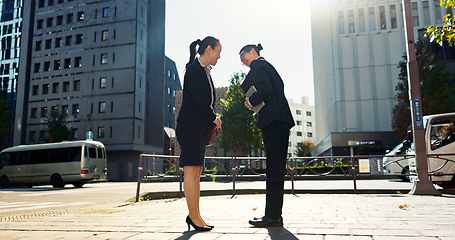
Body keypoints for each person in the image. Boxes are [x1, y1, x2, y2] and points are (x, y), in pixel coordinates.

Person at [239, 44, 295, 228]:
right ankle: (273, 215)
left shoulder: (258, 65)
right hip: (278, 120)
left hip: (274, 120)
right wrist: (254, 101)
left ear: (254, 52)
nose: (242, 60)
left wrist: (250, 100)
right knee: (275, 168)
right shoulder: (265, 66)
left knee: (274, 168)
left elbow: (266, 90)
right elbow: (273, 89)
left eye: (243, 54)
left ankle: (272, 216)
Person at [176, 36, 222, 232]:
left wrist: (211, 118)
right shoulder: (195, 70)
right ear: (209, 49)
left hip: (196, 128)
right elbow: (201, 102)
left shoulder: (202, 71)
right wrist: (215, 118)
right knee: (191, 172)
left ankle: (196, 216)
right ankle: (194, 216)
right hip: (190, 128)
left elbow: (205, 101)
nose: (220, 56)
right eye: (219, 51)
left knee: (196, 173)